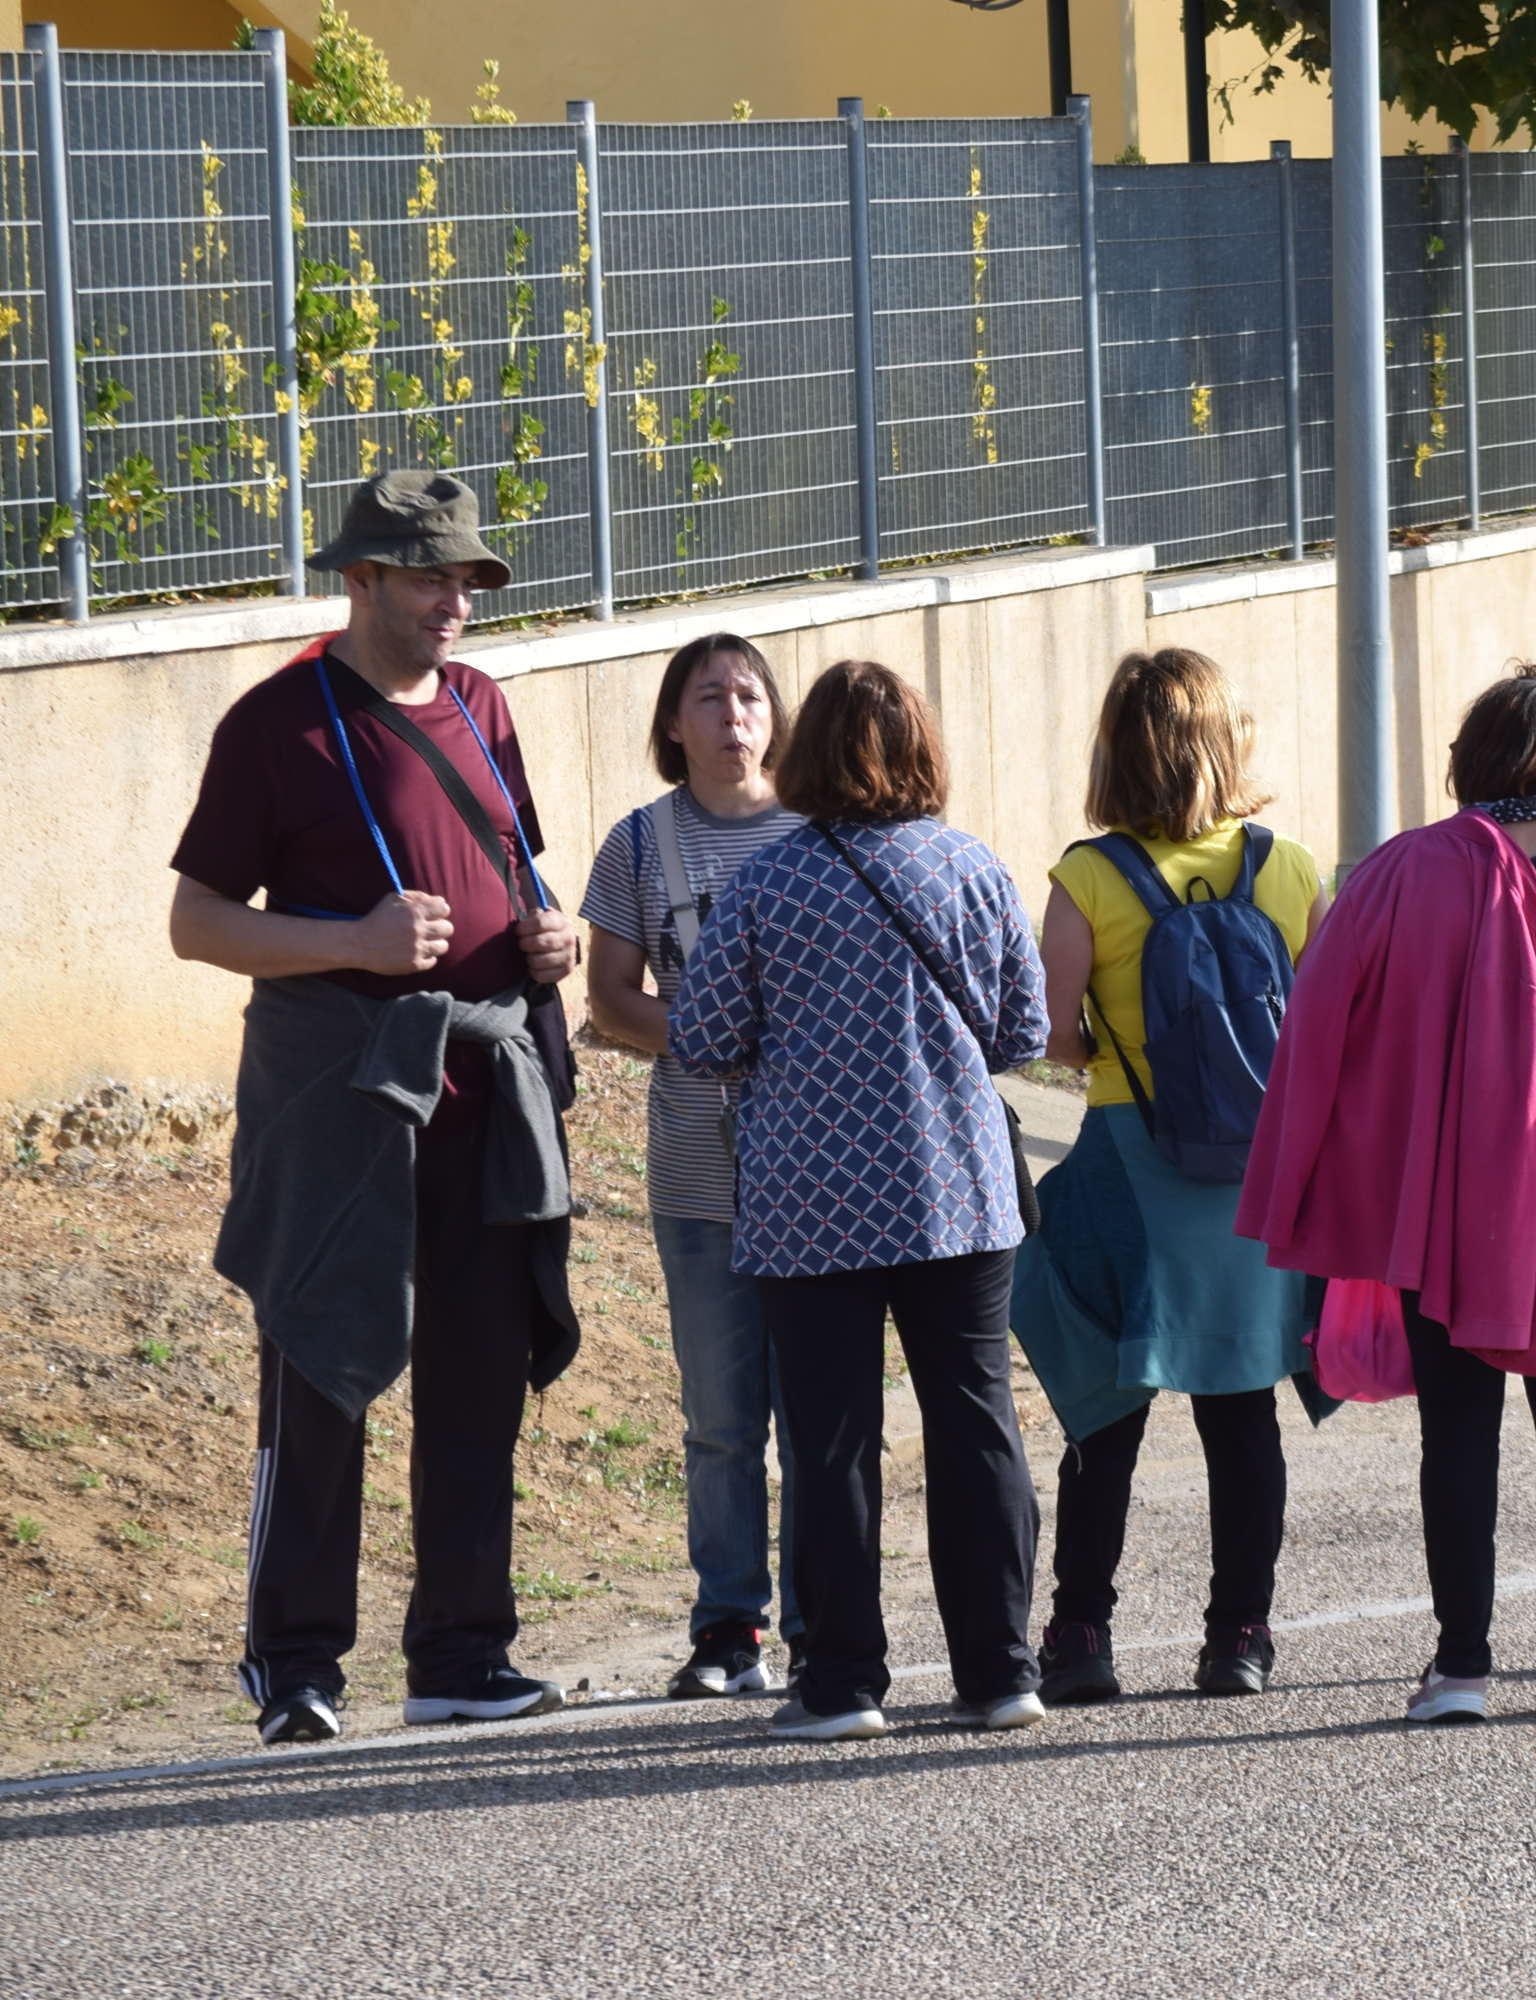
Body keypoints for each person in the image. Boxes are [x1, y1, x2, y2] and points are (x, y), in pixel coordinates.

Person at [167, 469, 582, 1746]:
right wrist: (348, 933)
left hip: (481, 1096)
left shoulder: (484, 704)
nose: (456, 599)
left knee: (478, 1376)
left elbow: (514, 861)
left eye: (467, 577)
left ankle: (462, 1650)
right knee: (321, 1372)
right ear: (360, 579)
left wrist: (549, 938)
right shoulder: (274, 726)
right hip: (342, 1104)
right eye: (430, 575)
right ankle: (295, 1665)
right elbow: (196, 924)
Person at [1238, 664, 1536, 1724]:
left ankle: (1463, 1667)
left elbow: (1320, 1021)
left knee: (1459, 1426)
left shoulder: (1404, 871)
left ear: (1464, 767)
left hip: (1443, 1189)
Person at [668, 659, 1050, 1742]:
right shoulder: (971, 867)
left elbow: (700, 1037)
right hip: (957, 1191)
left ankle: (842, 1680)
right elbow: (1023, 1031)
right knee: (975, 1419)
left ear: (806, 751)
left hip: (807, 1200)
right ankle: (999, 1668)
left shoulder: (767, 883)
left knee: (830, 1439)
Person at [1011, 648, 1328, 1704]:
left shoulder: (1086, 877)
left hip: (1130, 1160)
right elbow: (1320, 1026)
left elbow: (1054, 1032)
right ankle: (1237, 1629)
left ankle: (1080, 1630)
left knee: (1106, 1416)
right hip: (1253, 1171)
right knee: (1243, 1416)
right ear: (1223, 739)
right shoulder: (1288, 868)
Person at [579, 633, 806, 1700]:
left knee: (817, 1414)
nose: (732, 713)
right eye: (707, 695)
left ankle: (824, 1618)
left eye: (749, 694)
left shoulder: (822, 831)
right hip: (697, 1176)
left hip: (821, 1181)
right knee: (722, 1416)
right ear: (674, 722)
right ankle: (729, 1626)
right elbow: (608, 997)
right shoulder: (638, 843)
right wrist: (704, 1035)